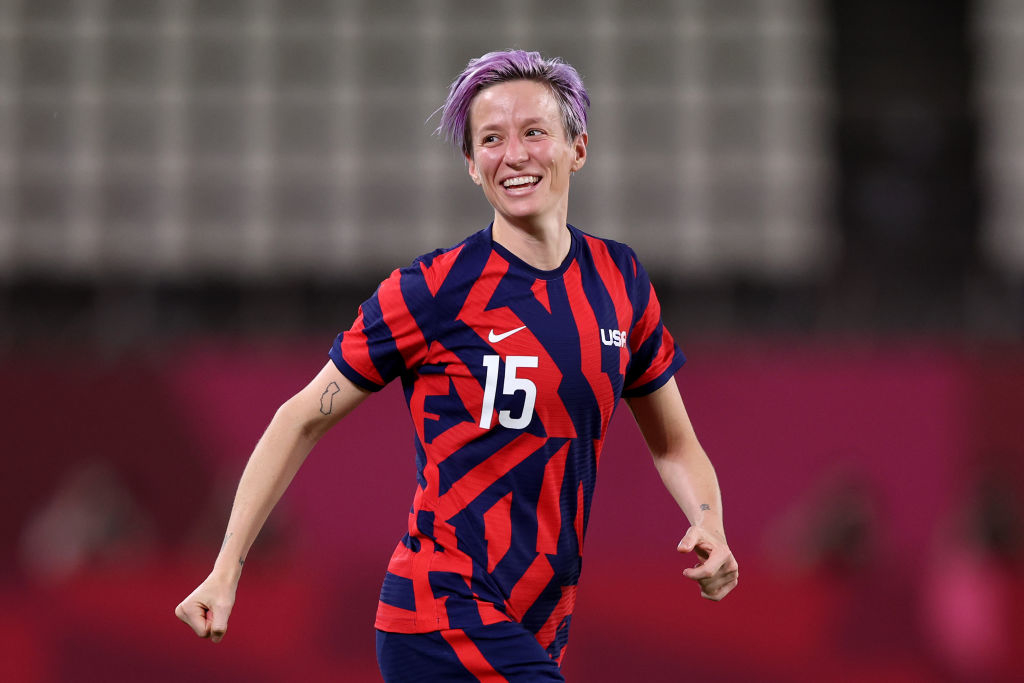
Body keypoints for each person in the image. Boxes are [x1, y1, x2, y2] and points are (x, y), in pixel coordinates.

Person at [175, 49, 738, 681]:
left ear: (578, 147)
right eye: (491, 139)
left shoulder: (620, 279)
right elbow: (301, 417)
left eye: (534, 133)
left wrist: (709, 526)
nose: (514, 155)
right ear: (472, 165)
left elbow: (674, 445)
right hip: (440, 611)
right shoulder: (434, 290)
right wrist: (226, 571)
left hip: (540, 620)